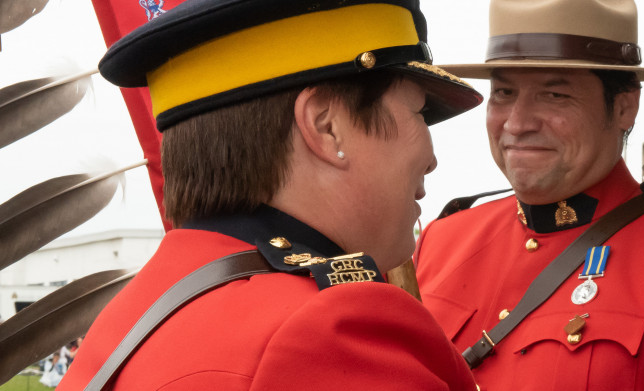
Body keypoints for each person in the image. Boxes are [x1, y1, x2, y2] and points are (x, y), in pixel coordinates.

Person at [59, 0, 483, 389]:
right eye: (419, 113)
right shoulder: (331, 335)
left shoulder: (132, 316)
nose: (430, 158)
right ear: (326, 126)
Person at [413, 0, 644, 389]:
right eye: (503, 92)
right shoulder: (442, 240)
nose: (518, 123)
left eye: (554, 96)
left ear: (625, 107)